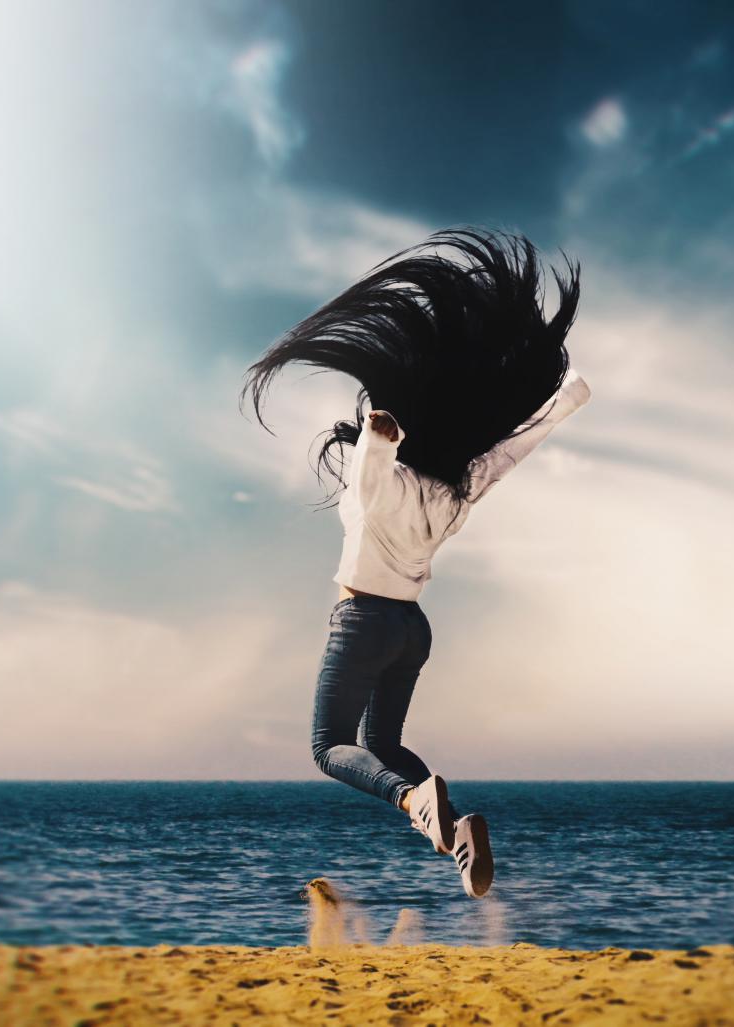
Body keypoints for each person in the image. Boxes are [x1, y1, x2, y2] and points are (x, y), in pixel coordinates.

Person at [239, 227, 592, 898]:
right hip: (412, 631)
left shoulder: (378, 485)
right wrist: (565, 400)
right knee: (388, 746)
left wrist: (380, 432)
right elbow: (510, 451)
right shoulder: (458, 488)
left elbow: (373, 465)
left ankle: (412, 804)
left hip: (364, 620)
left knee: (330, 747)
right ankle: (456, 831)